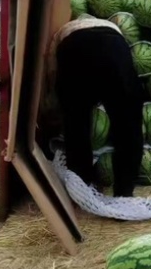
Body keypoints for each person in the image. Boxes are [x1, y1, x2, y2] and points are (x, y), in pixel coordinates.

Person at [50, 15, 144, 198]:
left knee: (76, 125)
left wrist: (53, 108)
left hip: (73, 50)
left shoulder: (63, 31)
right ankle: (124, 192)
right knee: (128, 125)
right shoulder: (113, 28)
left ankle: (81, 187)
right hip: (114, 48)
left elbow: (52, 74)